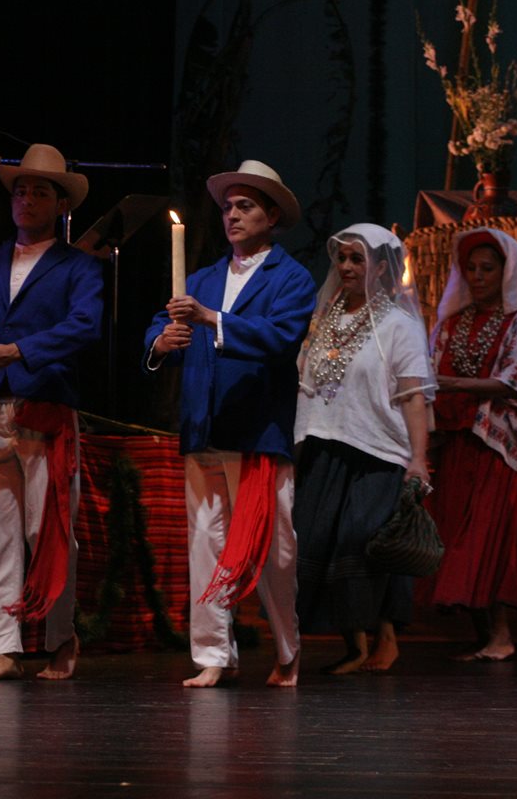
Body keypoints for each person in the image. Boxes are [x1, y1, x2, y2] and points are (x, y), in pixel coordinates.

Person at [144, 160, 315, 688]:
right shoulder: (204, 277)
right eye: (227, 207)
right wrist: (160, 343)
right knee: (206, 542)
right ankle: (213, 655)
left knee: (274, 551)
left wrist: (211, 320)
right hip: (204, 426)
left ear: (272, 214)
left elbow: (279, 337)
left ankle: (288, 648)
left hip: (256, 430)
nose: (233, 216)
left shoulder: (291, 277)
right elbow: (162, 321)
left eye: (245, 206)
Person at [0, 143, 102, 682]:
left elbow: (84, 327)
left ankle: (60, 637)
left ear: (60, 204)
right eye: (20, 191)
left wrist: (18, 350)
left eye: (39, 191)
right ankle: (0, 646)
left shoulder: (78, 267)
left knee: (48, 529)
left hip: (44, 407)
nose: (25, 199)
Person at [293, 223, 434, 675]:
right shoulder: (326, 317)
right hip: (323, 443)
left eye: (358, 259)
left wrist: (418, 458)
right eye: (342, 258)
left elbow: (414, 396)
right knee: (320, 543)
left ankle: (385, 640)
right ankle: (353, 644)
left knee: (364, 544)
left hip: (377, 451)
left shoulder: (399, 325)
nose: (348, 267)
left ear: (380, 267)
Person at [423, 228, 517, 662]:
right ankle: (484, 633)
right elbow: (430, 366)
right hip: (456, 443)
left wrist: (449, 384)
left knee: (486, 538)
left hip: (498, 447)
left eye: (488, 268)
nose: (478, 276)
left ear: (506, 272)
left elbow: (516, 381)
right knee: (454, 533)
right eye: (471, 268)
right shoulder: (452, 322)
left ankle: (501, 633)